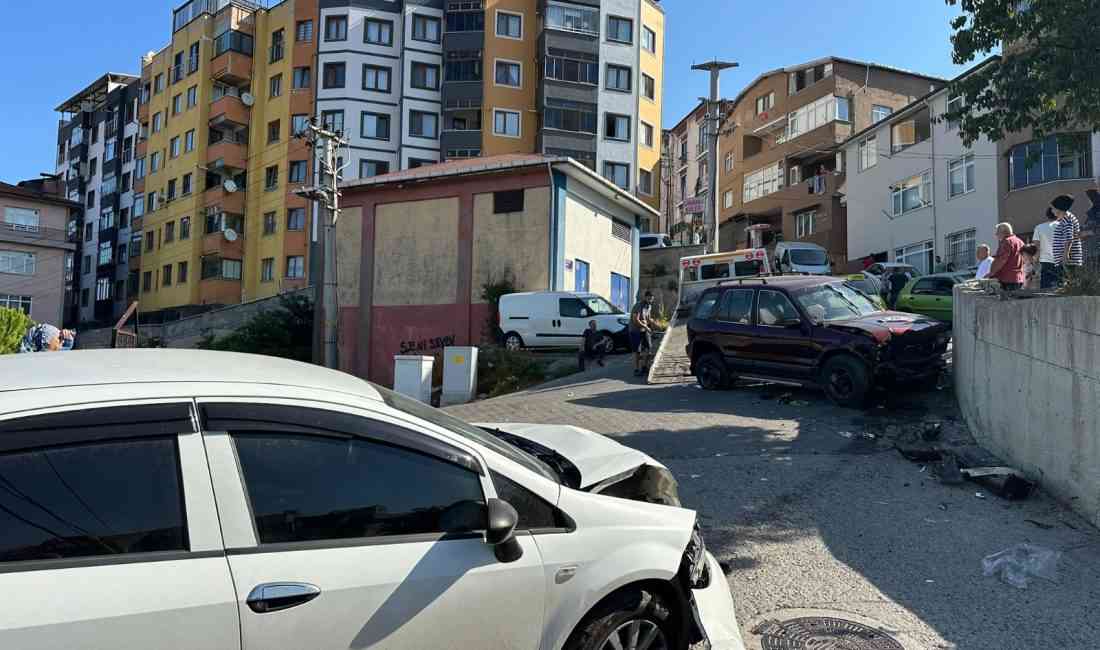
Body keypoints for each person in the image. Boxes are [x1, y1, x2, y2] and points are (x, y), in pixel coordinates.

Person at [1051, 194, 1084, 280]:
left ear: (1059, 208)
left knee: (1068, 283)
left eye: (1053, 208)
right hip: (1066, 260)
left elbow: (1069, 238)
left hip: (1068, 261)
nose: (1052, 210)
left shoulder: (1067, 219)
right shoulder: (1065, 219)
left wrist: (1066, 254)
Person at [987, 222, 1025, 291]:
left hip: (1007, 279)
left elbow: (1001, 260)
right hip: (1019, 278)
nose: (996, 235)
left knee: (1006, 300)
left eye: (997, 232)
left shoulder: (1006, 242)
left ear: (1003, 232)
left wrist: (991, 273)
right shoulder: (1020, 242)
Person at [630, 291, 655, 377]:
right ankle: (636, 369)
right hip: (635, 330)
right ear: (645, 297)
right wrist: (646, 327)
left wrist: (652, 323)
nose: (650, 300)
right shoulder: (638, 305)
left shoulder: (649, 306)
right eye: (648, 298)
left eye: (651, 299)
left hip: (644, 330)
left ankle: (644, 366)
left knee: (648, 348)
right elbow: (635, 320)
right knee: (638, 351)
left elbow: (648, 318)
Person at [1032, 207, 1059, 289]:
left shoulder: (1039, 228)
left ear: (1047, 215)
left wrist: (1035, 259)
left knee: (1046, 287)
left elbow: (1037, 246)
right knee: (1061, 286)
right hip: (1061, 259)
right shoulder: (1062, 226)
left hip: (1045, 261)